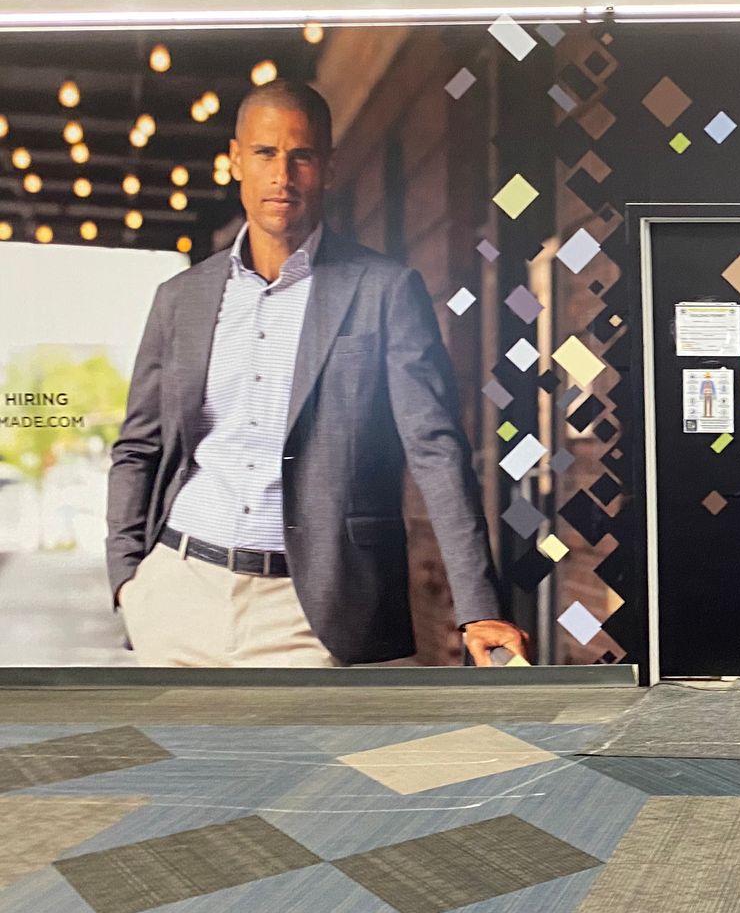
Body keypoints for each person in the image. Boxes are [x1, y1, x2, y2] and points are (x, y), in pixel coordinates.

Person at [105, 80, 531, 667]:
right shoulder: (180, 298)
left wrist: (479, 605)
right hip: (179, 594)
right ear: (235, 161)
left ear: (327, 168)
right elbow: (139, 447)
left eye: (301, 155)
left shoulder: (385, 291)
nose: (283, 174)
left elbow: (435, 450)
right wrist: (128, 579)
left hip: (311, 614)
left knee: (310, 763)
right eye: (264, 153)